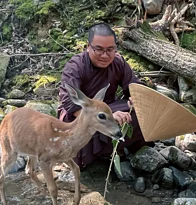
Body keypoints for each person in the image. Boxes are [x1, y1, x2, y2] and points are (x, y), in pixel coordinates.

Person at [57, 22, 152, 169]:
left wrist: (137, 99)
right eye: (99, 50)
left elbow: (135, 87)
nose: (105, 55)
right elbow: (70, 104)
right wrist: (107, 117)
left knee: (142, 109)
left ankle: (123, 148)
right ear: (88, 46)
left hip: (108, 110)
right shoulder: (75, 67)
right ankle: (98, 153)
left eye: (110, 50)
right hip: (79, 117)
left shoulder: (118, 62)